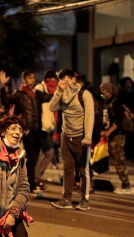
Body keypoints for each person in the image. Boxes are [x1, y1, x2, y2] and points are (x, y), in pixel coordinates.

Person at [49, 68, 94, 210]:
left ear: (73, 80)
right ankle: (66, 198)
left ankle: (84, 200)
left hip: (81, 137)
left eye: (66, 80)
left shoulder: (84, 94)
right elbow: (52, 107)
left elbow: (89, 117)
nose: (64, 83)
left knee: (83, 170)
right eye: (61, 81)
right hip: (65, 136)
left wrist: (87, 137)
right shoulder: (61, 92)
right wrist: (59, 91)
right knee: (67, 169)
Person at [7, 70, 52, 194]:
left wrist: (62, 90)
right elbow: (7, 100)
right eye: (30, 78)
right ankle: (30, 185)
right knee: (31, 160)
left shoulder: (37, 94)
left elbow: (50, 98)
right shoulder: (20, 94)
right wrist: (4, 86)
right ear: (24, 80)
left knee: (34, 159)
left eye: (33, 77)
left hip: (38, 130)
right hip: (28, 131)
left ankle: (29, 183)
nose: (33, 80)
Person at [100, 82, 132, 195]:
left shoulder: (115, 102)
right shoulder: (106, 103)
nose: (101, 93)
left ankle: (126, 184)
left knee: (119, 159)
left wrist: (109, 131)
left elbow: (119, 120)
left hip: (117, 135)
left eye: (102, 90)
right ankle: (124, 183)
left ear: (107, 91)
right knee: (113, 159)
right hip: (110, 136)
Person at [34, 69, 58, 185]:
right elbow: (43, 99)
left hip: (48, 127)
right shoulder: (40, 88)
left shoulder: (56, 91)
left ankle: (36, 176)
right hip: (39, 127)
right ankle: (34, 178)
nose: (53, 82)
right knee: (40, 154)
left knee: (48, 153)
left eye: (55, 80)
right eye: (51, 79)